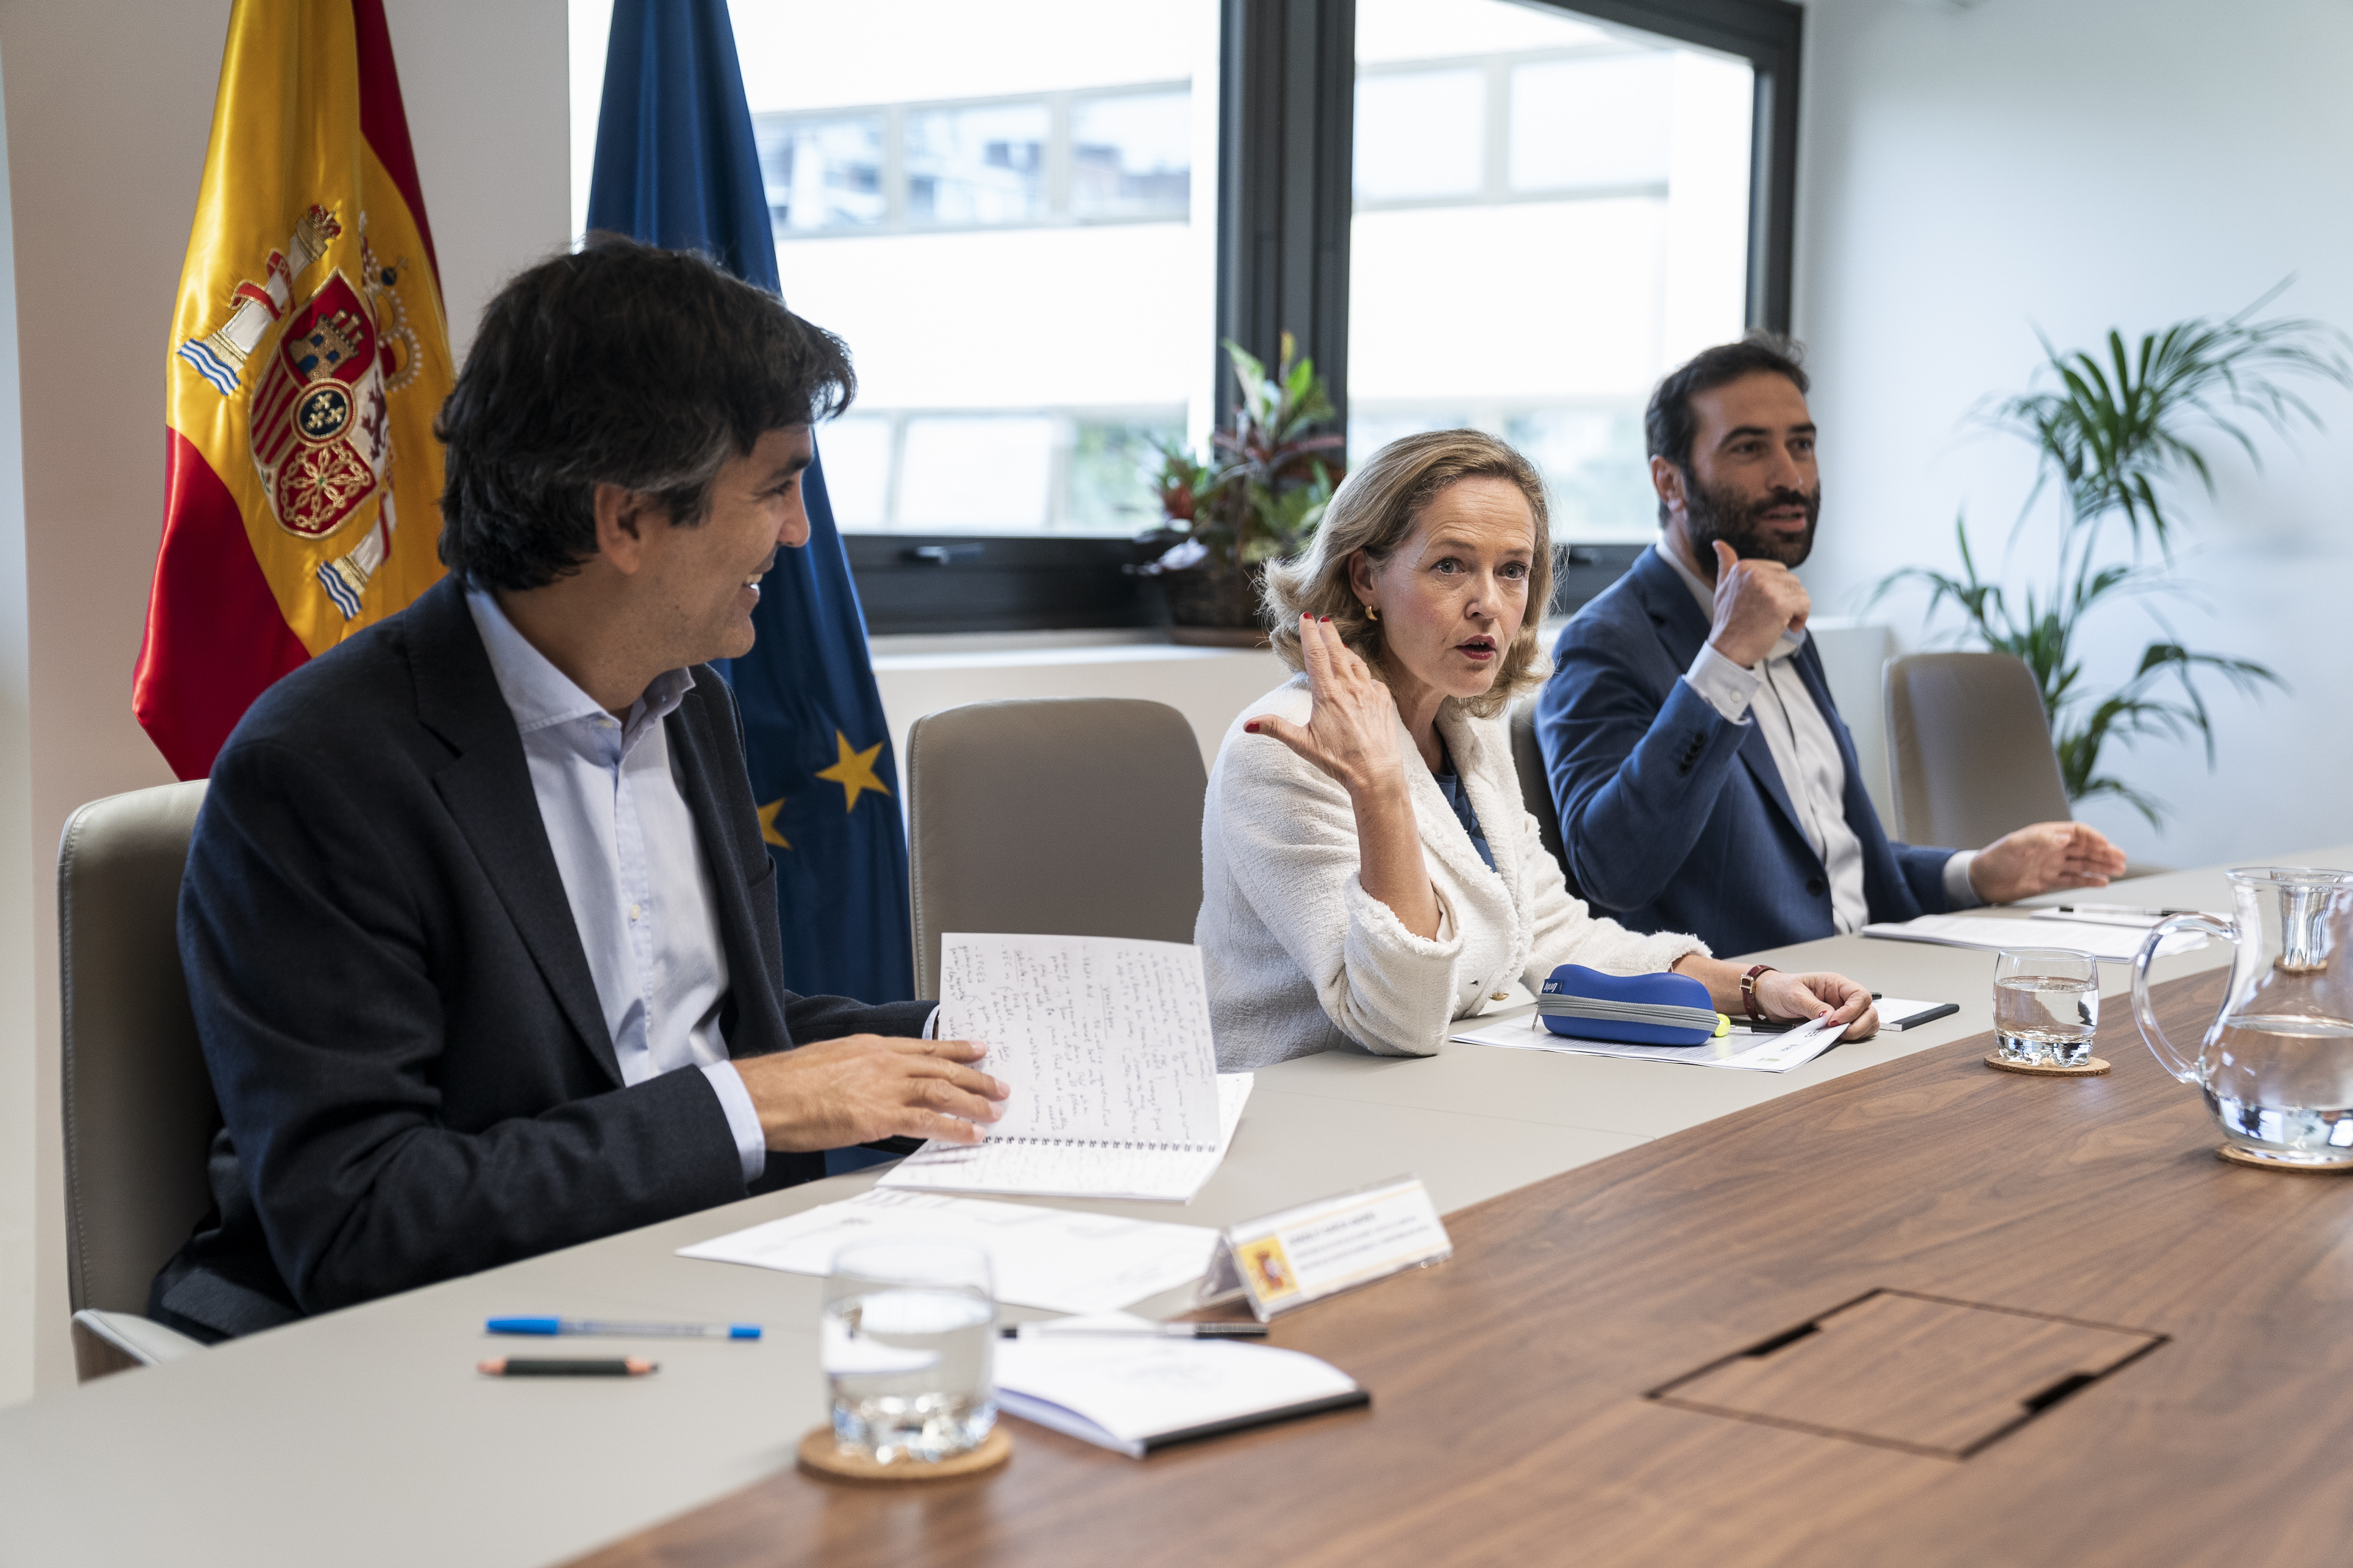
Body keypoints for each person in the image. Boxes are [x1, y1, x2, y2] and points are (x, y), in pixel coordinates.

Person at [150, 237, 1010, 1341]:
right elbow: (363, 1219)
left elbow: (687, 1025)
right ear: (629, 520)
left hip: (699, 1287)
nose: (799, 532)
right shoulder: (320, 772)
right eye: (778, 487)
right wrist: (756, 1101)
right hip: (446, 1349)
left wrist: (961, 1042)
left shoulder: (686, 699)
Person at [1196, 429, 1879, 1071]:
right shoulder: (1284, 748)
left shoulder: (1466, 728)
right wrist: (1379, 789)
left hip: (1459, 1094)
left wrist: (1761, 988)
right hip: (1317, 1120)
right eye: (1450, 565)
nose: (1489, 603)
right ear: (1365, 578)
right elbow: (1396, 1020)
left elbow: (1554, 938)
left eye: (1513, 570)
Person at [1536, 335, 2125, 959]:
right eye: (1748, 448)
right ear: (1670, 482)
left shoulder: (1789, 629)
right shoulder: (1607, 641)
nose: (1790, 477)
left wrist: (1976, 872)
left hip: (1872, 984)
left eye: (1802, 445)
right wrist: (1726, 658)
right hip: (1753, 1020)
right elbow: (1611, 872)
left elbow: (1828, 864)